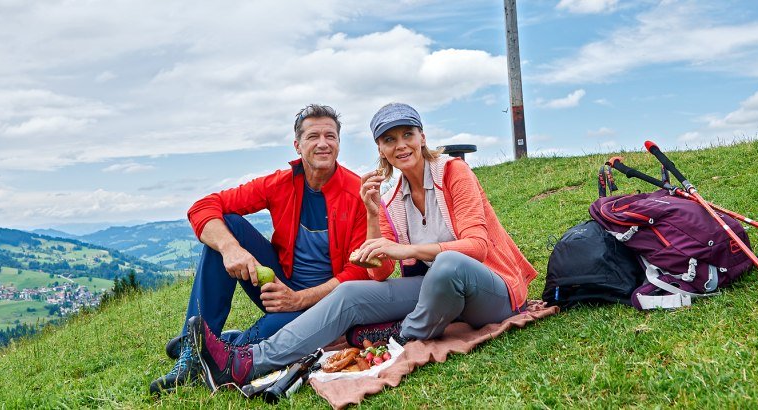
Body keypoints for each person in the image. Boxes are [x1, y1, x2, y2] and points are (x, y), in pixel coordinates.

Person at [186, 102, 538, 390]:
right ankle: (242, 363)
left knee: (446, 266)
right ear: (380, 149)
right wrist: (373, 215)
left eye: (407, 135)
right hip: (440, 293)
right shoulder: (391, 198)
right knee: (353, 294)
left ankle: (401, 332)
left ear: (421, 137)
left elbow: (476, 246)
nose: (400, 145)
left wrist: (407, 251)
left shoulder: (453, 173)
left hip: (492, 288)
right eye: (389, 139)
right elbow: (378, 269)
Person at [149, 104, 372, 394]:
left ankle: (218, 345)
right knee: (227, 224)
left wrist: (299, 299)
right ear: (298, 146)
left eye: (330, 136)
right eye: (313, 136)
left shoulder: (357, 191)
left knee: (275, 340)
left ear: (339, 144)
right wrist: (231, 248)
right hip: (280, 284)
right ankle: (191, 354)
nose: (322, 143)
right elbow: (203, 207)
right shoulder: (280, 183)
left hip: (326, 300)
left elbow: (359, 272)